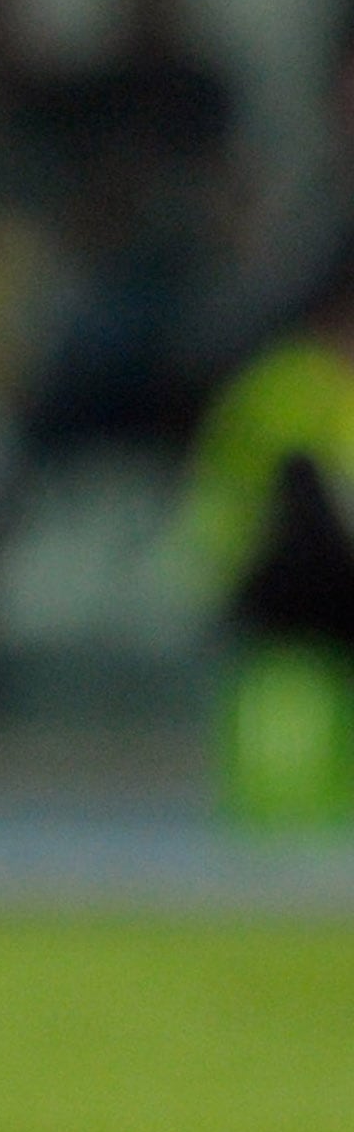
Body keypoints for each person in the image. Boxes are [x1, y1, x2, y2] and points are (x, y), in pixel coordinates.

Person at [179, 252, 354, 825]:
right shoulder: (288, 388)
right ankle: (289, 804)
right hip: (274, 572)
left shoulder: (294, 383)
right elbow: (305, 501)